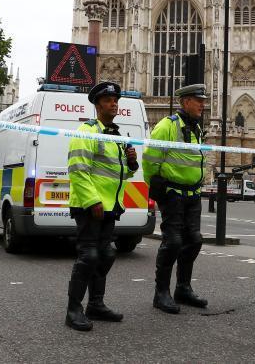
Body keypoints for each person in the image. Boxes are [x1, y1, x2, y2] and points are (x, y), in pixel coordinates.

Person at [64, 81, 139, 332]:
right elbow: (77, 170)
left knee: (106, 254)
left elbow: (120, 175)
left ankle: (96, 304)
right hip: (90, 205)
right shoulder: (86, 131)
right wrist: (91, 200)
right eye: (108, 100)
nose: (114, 104)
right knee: (89, 256)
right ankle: (74, 309)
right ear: (97, 105)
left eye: (116, 100)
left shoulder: (116, 135)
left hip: (110, 206)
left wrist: (131, 164)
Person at [143, 83, 209, 314]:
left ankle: (183, 288)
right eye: (198, 100)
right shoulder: (166, 126)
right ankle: (161, 293)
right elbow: (150, 159)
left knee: (195, 240)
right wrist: (158, 187)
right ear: (185, 102)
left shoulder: (196, 127)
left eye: (203, 100)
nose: (203, 104)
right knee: (173, 242)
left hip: (193, 194)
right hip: (173, 194)